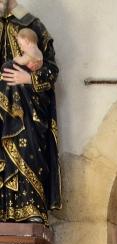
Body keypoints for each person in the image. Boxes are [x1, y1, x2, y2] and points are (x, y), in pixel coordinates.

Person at [0, 0, 61, 224]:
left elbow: (51, 70)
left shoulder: (32, 26)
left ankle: (30, 208)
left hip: (27, 109)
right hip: (0, 109)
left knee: (28, 151)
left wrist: (29, 78)